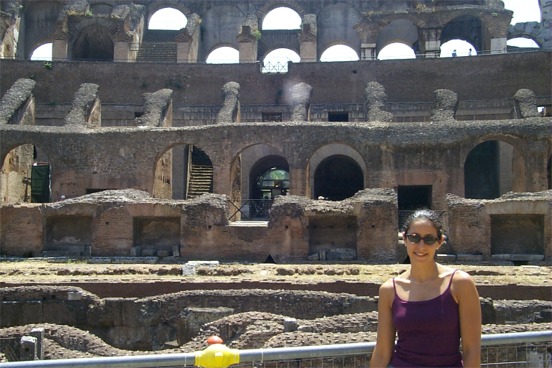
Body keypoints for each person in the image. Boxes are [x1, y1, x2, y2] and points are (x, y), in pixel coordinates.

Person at [370, 209, 481, 367]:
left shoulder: (460, 284)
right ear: (404, 239)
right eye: (414, 238)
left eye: (429, 239)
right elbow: (382, 351)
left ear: (439, 242)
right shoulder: (389, 289)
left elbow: (472, 350)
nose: (421, 246)